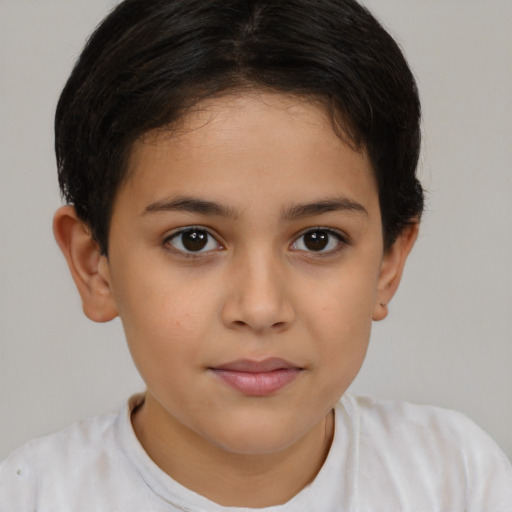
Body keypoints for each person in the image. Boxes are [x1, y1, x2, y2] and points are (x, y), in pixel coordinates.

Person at [1, 0, 511, 509]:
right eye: (193, 239)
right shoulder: (31, 497)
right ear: (95, 266)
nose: (261, 308)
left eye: (318, 239)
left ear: (388, 262)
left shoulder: (456, 480)